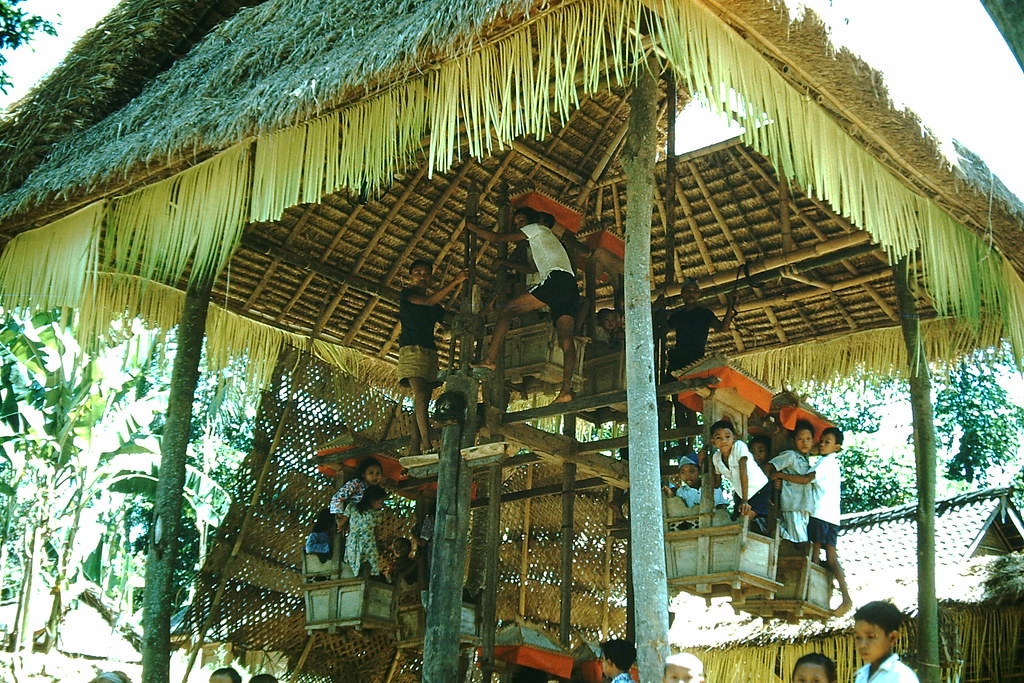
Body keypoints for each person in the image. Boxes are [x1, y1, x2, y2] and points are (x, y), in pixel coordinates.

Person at [469, 206, 582, 404]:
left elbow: (496, 238)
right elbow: (531, 268)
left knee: (507, 312)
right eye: (517, 223)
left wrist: (471, 227)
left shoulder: (536, 228)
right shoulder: (543, 240)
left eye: (521, 221)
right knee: (566, 340)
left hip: (555, 280)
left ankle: (490, 360)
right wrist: (505, 263)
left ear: (531, 221)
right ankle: (566, 390)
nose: (519, 226)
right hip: (569, 287)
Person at [399, 259, 468, 454]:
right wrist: (456, 281)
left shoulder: (433, 306)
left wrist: (473, 316)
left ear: (431, 278)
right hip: (411, 350)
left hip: (429, 353)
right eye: (418, 273)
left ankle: (415, 445)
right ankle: (427, 444)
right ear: (410, 276)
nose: (422, 277)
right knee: (421, 394)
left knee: (422, 399)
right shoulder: (407, 295)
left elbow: (450, 320)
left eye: (426, 274)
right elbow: (428, 301)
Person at [811, 426, 853, 615]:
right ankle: (845, 597)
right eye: (821, 441)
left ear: (837, 447)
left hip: (819, 514)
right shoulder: (832, 463)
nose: (822, 444)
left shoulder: (825, 462)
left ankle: (813, 595)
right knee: (831, 559)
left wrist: (782, 475)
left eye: (827, 442)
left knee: (814, 555)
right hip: (832, 517)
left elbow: (807, 478)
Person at [659, 277, 735, 374]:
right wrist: (660, 311)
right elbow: (663, 330)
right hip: (679, 358)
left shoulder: (705, 313)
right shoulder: (678, 315)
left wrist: (730, 305)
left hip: (696, 359)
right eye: (688, 291)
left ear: (698, 294)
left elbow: (723, 328)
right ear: (682, 294)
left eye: (694, 291)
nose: (691, 294)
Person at [709, 420, 771, 532]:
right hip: (741, 494)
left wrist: (745, 501)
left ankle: (761, 526)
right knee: (736, 521)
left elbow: (743, 471)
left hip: (759, 489)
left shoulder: (739, 446)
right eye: (718, 438)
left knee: (748, 520)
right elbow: (717, 484)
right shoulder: (716, 458)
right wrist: (702, 462)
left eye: (727, 436)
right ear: (713, 441)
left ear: (734, 438)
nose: (724, 440)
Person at [766, 420, 819, 544]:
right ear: (793, 441)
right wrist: (770, 488)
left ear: (813, 441)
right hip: (793, 505)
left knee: (796, 539)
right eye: (800, 439)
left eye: (808, 439)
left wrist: (781, 476)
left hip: (804, 506)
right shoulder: (790, 455)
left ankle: (777, 533)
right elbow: (769, 468)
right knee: (799, 542)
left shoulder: (806, 461)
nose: (804, 442)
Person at [853, 601, 919, 682]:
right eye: (858, 637)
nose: (862, 645)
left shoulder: (901, 677)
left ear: (892, 638)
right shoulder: (862, 675)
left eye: (871, 637)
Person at [329, 457, 384, 533]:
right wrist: (339, 514)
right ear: (363, 474)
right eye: (371, 473)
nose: (375, 477)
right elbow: (337, 497)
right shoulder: (356, 484)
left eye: (378, 473)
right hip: (350, 520)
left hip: (365, 527)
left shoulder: (378, 490)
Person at [343, 484, 388, 577]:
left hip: (369, 543)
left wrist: (377, 544)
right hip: (354, 542)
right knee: (353, 566)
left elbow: (376, 531)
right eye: (381, 502)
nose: (382, 505)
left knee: (371, 566)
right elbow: (342, 522)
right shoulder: (352, 507)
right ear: (372, 499)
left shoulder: (378, 514)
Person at [663, 451, 728, 508]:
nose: (687, 476)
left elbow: (722, 508)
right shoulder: (681, 492)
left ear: (699, 472)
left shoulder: (714, 489)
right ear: (679, 475)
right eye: (683, 472)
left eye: (692, 471)